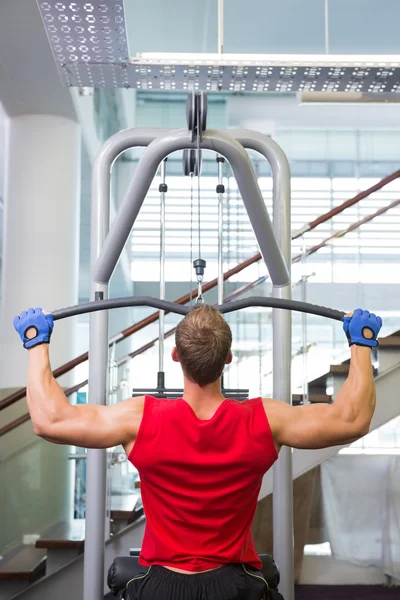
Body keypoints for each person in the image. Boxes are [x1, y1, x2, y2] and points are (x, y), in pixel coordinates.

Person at [13, 305, 382, 600]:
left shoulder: (140, 418)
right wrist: (361, 346)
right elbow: (350, 420)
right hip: (234, 588)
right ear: (228, 358)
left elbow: (50, 420)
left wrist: (36, 345)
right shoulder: (264, 419)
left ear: (176, 356)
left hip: (160, 589)